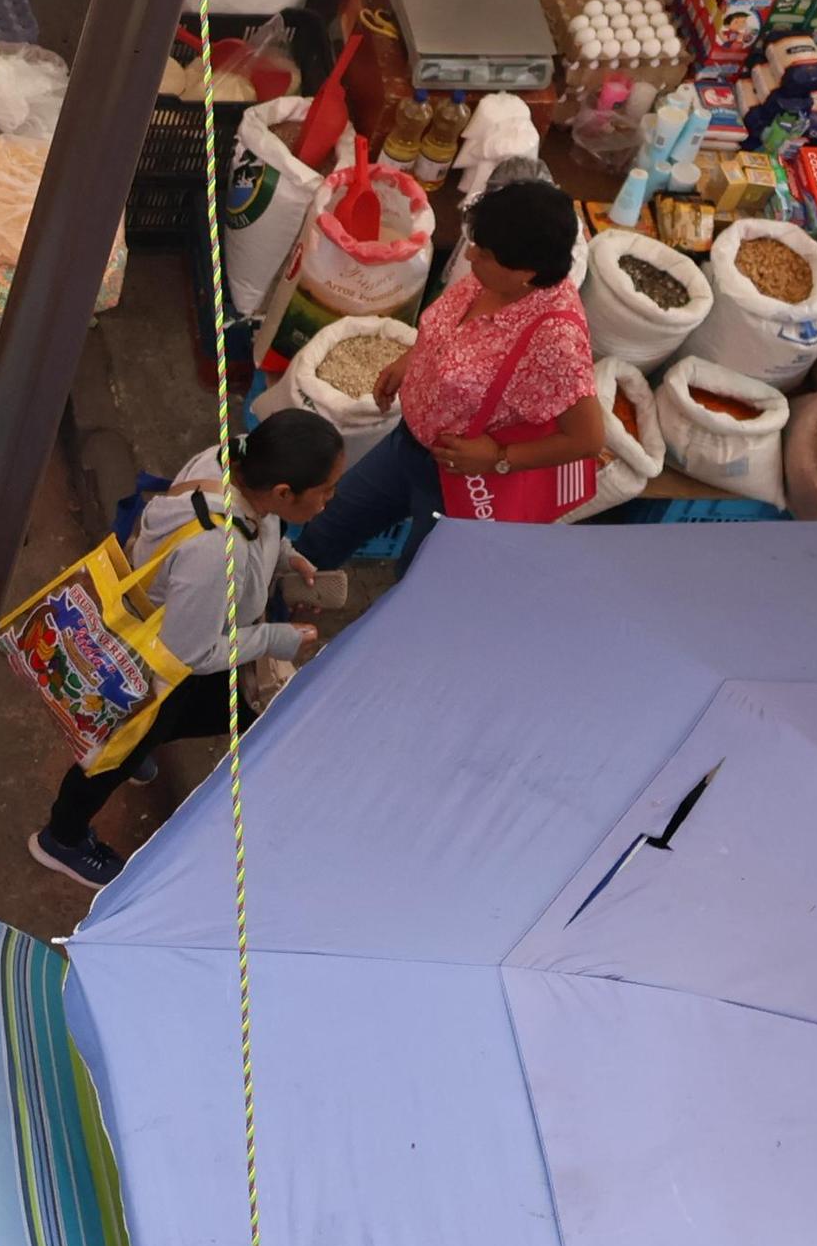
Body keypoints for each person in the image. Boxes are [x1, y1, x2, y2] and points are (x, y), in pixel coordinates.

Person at [30, 412, 345, 890]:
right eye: (325, 490)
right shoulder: (215, 555)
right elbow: (189, 654)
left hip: (175, 629)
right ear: (283, 492)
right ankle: (62, 838)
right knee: (112, 754)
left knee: (219, 714)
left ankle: (143, 747)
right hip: (156, 664)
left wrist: (284, 557)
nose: (330, 501)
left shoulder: (235, 457)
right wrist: (276, 638)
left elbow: (259, 528)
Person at [289, 180, 609, 572]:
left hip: (458, 483)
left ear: (527, 271)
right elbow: (455, 333)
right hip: (405, 444)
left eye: (486, 253)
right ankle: (291, 599)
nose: (471, 254)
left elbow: (587, 439)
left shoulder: (555, 338)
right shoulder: (489, 276)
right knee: (326, 529)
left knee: (419, 578)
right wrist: (413, 361)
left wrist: (498, 458)